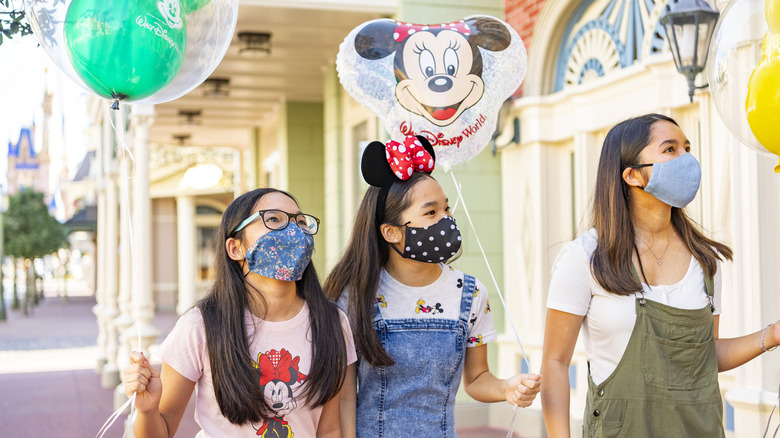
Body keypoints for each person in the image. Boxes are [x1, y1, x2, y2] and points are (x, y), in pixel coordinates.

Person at [540, 113, 779, 437]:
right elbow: (555, 362)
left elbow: (705, 355)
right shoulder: (584, 258)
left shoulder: (704, 261)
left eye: (687, 147)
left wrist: (773, 335)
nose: (687, 159)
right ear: (633, 175)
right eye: (670, 149)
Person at [324, 135, 541, 437]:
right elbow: (345, 397)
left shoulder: (470, 293)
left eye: (447, 209)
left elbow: (477, 378)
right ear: (390, 232)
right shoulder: (354, 296)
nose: (447, 220)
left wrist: (508, 387)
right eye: (431, 212)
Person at [124, 188, 357, 437]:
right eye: (274, 219)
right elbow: (162, 430)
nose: (293, 231)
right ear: (235, 248)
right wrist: (147, 411)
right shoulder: (201, 325)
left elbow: (330, 429)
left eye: (300, 222)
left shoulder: (332, 323)